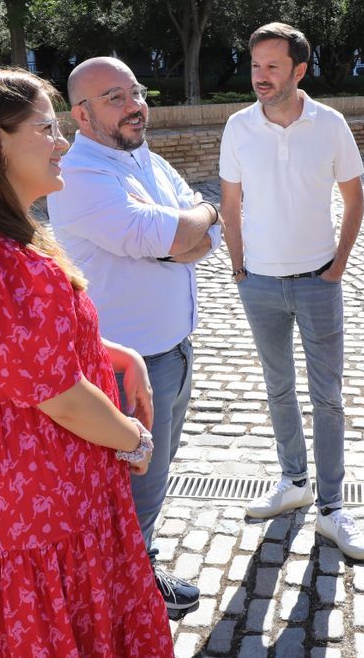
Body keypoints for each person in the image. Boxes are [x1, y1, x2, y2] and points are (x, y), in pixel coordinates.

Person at [0, 68, 173, 657]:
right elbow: (60, 396)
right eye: (46, 128)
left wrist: (115, 353)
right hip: (44, 491)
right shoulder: (0, 260)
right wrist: (135, 440)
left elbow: (16, 352)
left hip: (25, 479)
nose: (63, 142)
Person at [47, 56, 217, 616]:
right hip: (124, 364)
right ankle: (128, 596)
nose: (135, 105)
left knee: (153, 474)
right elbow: (163, 232)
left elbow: (194, 235)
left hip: (172, 349)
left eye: (136, 92)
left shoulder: (147, 159)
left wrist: (188, 226)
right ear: (82, 113)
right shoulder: (82, 174)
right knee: (130, 484)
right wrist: (190, 223)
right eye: (115, 97)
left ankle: (136, 568)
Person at [218, 22, 364, 560]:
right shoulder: (237, 127)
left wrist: (338, 268)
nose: (260, 77)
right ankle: (294, 482)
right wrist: (238, 267)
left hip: (317, 281)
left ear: (299, 70)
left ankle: (332, 507)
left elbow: (354, 202)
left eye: (272, 67)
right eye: (256, 65)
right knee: (278, 388)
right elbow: (229, 205)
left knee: (327, 396)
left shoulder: (330, 125)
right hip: (258, 282)